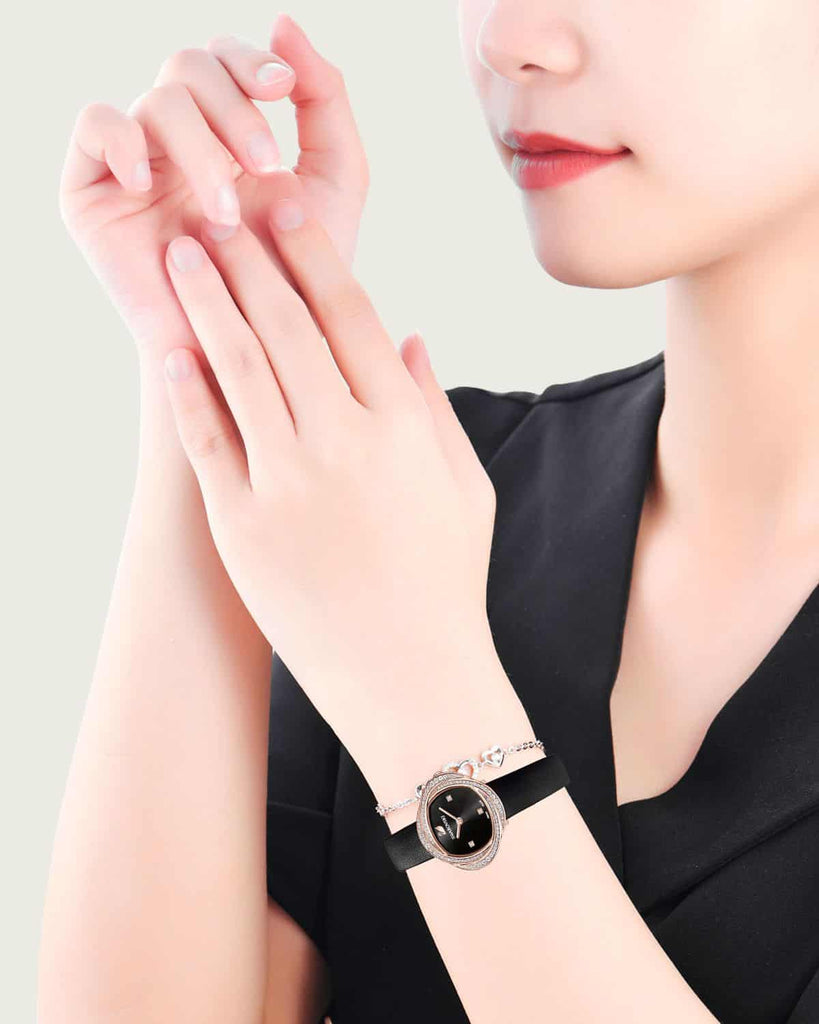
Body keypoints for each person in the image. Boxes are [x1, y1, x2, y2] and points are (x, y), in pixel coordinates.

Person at [38, 4, 819, 1023]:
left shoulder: (390, 567)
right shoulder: (406, 507)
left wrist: (422, 690)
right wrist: (214, 362)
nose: (511, 37)